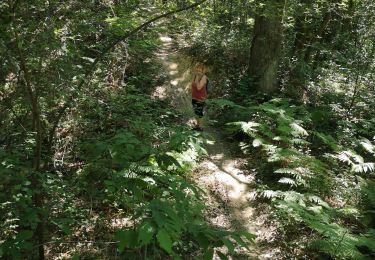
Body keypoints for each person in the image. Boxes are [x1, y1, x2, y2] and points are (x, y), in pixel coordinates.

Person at [191, 63, 208, 131]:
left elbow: (198, 88)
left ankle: (200, 127)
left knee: (199, 112)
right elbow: (192, 84)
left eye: (200, 69)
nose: (198, 70)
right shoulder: (195, 76)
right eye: (197, 68)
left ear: (202, 70)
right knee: (196, 111)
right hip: (194, 97)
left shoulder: (204, 77)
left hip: (201, 98)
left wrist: (197, 79)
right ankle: (197, 126)